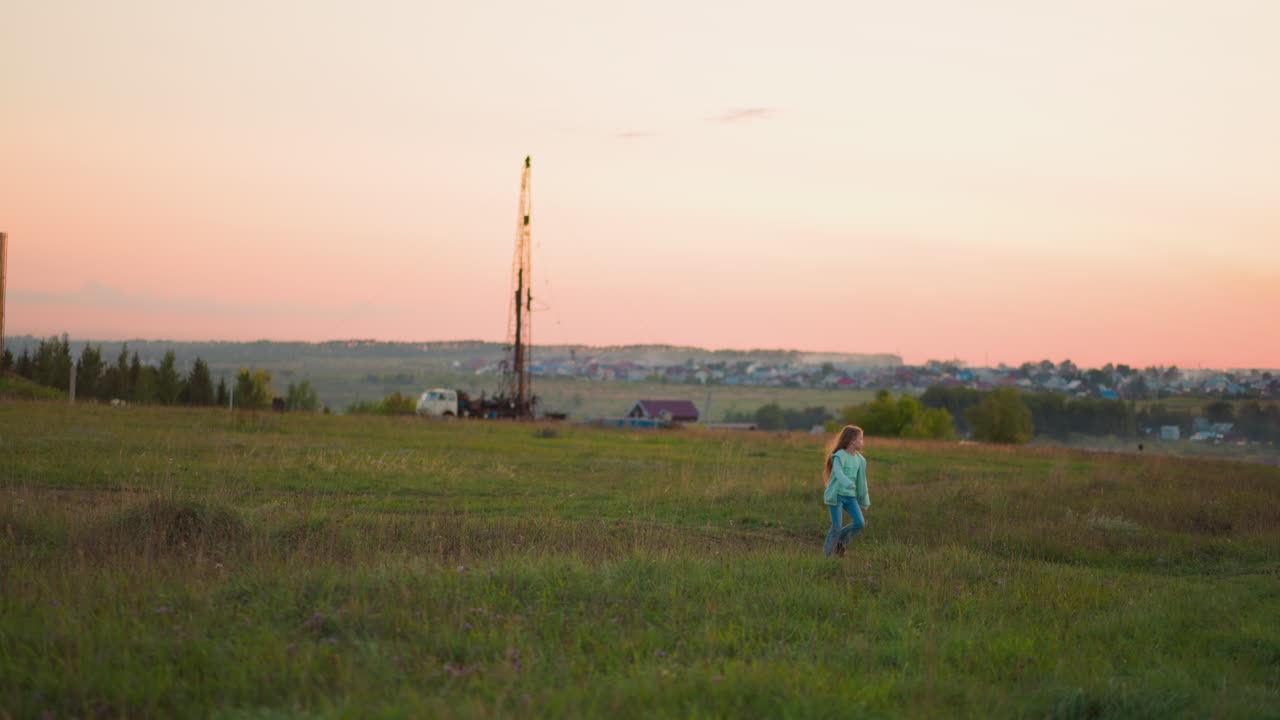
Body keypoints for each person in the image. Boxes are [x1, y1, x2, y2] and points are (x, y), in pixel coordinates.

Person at [822, 425, 869, 556]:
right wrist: (848, 483)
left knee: (860, 523)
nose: (862, 442)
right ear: (852, 441)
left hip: (850, 497)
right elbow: (837, 472)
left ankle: (840, 543)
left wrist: (864, 502)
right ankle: (827, 553)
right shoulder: (839, 455)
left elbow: (862, 482)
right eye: (861, 439)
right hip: (837, 495)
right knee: (836, 526)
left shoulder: (860, 460)